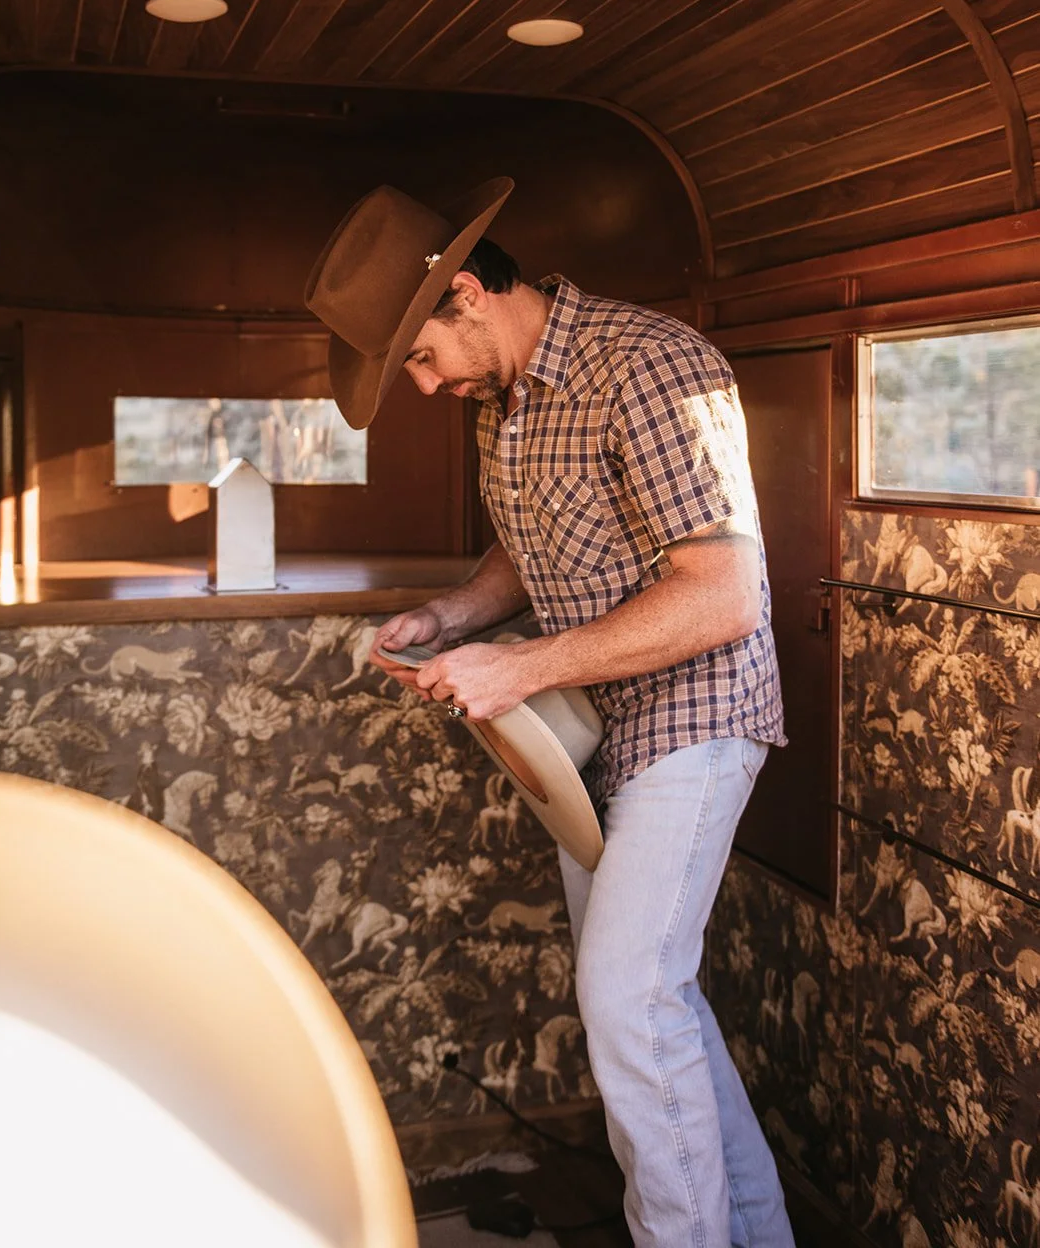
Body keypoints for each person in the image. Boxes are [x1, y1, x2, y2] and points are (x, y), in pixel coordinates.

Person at [304, 178, 794, 1248]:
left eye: (420, 358)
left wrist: (521, 667)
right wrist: (449, 616)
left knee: (626, 1000)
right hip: (591, 732)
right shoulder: (502, 396)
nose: (426, 385)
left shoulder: (651, 366)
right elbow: (532, 546)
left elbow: (721, 597)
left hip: (696, 713)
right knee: (651, 1005)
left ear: (466, 293)